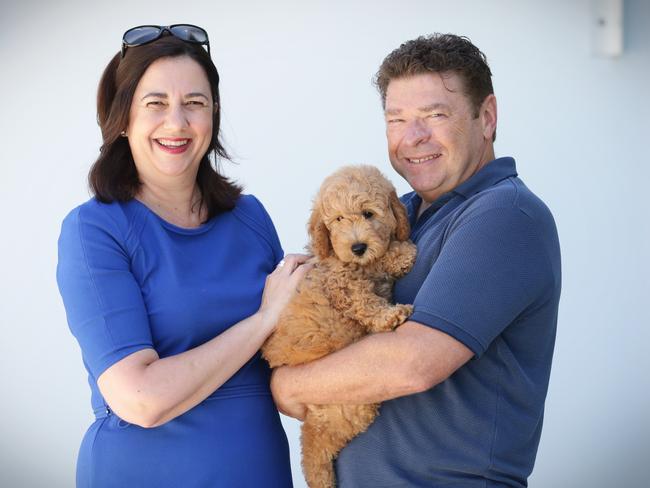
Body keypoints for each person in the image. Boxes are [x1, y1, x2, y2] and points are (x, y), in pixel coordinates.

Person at [271, 33, 561, 487]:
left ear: (487, 117)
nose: (413, 137)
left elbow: (413, 363)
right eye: (397, 119)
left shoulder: (504, 215)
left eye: (435, 115)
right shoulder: (396, 213)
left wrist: (284, 384)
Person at [56, 25, 309, 487]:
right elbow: (140, 399)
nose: (177, 123)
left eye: (194, 103)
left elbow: (293, 356)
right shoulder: (93, 231)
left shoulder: (250, 218)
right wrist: (264, 319)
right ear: (124, 118)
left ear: (213, 115)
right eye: (155, 104)